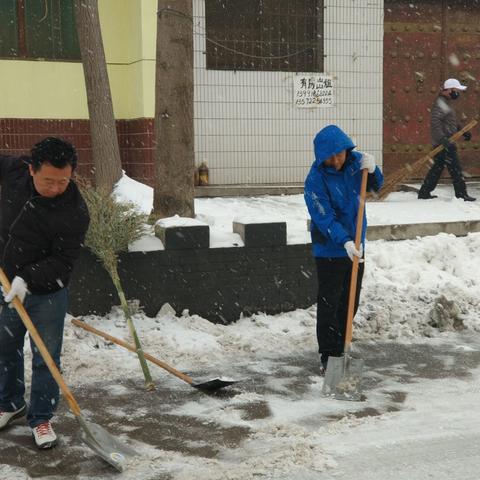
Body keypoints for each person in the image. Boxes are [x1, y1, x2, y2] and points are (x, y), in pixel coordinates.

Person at [0, 137, 90, 449]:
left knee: (46, 356)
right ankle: (10, 404)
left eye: (62, 181)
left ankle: (41, 419)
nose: (55, 187)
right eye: (48, 180)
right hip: (5, 282)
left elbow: (63, 262)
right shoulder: (14, 172)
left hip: (47, 292)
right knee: (5, 346)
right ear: (31, 170)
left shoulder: (75, 211)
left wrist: (26, 278)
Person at [304, 125, 383, 375]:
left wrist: (374, 170)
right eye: (330, 156)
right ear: (321, 157)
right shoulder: (315, 179)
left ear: (347, 150)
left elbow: (374, 188)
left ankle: (342, 346)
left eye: (340, 153)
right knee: (330, 302)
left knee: (351, 301)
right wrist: (344, 241)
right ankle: (329, 354)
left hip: (357, 247)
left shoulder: (356, 163)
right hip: (330, 248)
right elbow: (323, 217)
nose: (336, 160)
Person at [418, 78, 476, 201]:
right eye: (456, 90)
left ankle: (424, 192)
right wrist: (443, 140)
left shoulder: (446, 102)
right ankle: (461, 194)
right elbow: (435, 123)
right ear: (448, 90)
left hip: (445, 142)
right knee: (455, 168)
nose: (457, 93)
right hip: (444, 143)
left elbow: (451, 121)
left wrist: (463, 131)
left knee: (437, 168)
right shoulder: (441, 103)